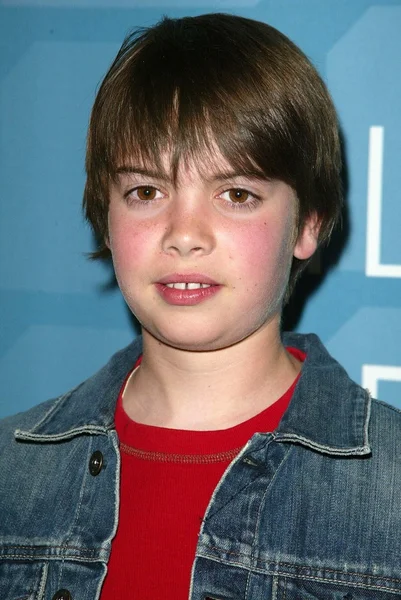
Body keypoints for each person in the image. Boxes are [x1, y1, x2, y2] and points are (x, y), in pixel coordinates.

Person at [1, 12, 401, 600]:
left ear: (307, 224)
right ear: (106, 219)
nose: (184, 233)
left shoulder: (389, 494)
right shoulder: (12, 475)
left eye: (236, 194)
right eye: (146, 192)